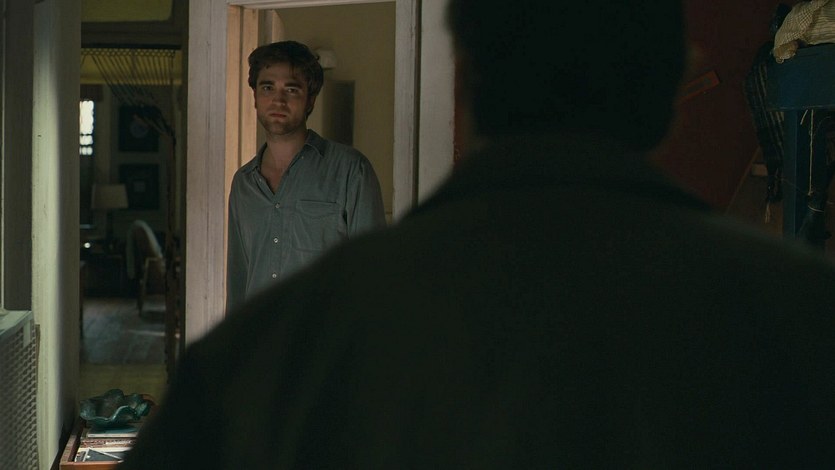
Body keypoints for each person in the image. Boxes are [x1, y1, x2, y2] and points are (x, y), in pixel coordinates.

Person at [122, 1, 835, 467]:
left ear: (472, 84)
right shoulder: (797, 312)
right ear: (669, 85)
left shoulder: (273, 350)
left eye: (291, 87)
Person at [225, 40, 385, 311]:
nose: (278, 100)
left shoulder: (350, 171)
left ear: (310, 99)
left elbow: (372, 276)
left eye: (291, 89)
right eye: (267, 88)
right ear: (255, 97)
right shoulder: (244, 183)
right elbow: (238, 281)